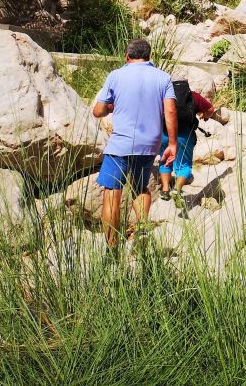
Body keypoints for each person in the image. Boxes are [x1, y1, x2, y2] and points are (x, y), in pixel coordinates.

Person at [92, 39, 178, 247]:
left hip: (120, 144)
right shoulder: (164, 78)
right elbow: (170, 111)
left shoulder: (116, 75)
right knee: (140, 187)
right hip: (149, 144)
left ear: (127, 56)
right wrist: (173, 143)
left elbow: (97, 111)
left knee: (112, 193)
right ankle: (141, 233)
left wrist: (111, 108)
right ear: (149, 56)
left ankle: (112, 246)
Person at [158, 85, 229, 210]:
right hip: (185, 134)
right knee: (185, 165)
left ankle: (164, 189)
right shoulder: (193, 96)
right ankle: (177, 189)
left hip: (165, 133)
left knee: (165, 160)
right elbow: (210, 109)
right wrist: (205, 115)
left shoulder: (163, 95)